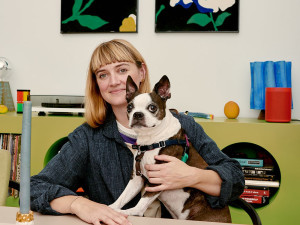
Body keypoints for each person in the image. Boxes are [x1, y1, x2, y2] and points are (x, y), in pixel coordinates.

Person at [30, 39, 245, 225]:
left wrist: (191, 176)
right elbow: (34, 188)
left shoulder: (182, 126)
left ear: (141, 73)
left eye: (122, 70)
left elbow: (235, 179)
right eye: (103, 75)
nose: (114, 81)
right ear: (97, 84)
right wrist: (79, 204)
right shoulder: (88, 138)